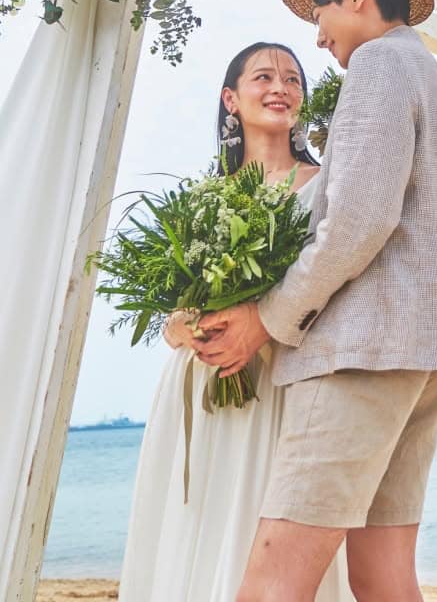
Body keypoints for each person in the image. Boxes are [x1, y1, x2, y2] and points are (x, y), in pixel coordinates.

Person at [197, 0, 437, 602]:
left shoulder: (379, 64)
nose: (317, 40)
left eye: (319, 16)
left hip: (361, 353)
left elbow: (355, 224)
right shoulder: (430, 77)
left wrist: (267, 319)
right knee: (383, 576)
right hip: (425, 353)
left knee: (273, 579)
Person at [118, 42, 352, 602]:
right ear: (231, 99)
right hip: (203, 379)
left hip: (281, 382)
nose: (281, 88)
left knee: (269, 525)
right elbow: (175, 299)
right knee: (199, 516)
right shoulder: (204, 197)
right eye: (264, 77)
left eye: (293, 79)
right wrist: (179, 329)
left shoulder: (327, 186)